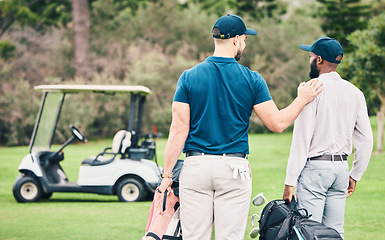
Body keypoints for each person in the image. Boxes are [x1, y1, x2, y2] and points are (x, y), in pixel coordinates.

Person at [158, 14, 322, 240]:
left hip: (196, 166)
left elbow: (178, 130)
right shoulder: (252, 79)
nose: (244, 44)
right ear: (235, 40)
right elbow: (277, 123)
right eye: (244, 39)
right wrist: (302, 99)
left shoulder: (188, 77)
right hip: (233, 169)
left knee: (194, 237)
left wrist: (167, 175)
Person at [282, 37, 373, 238]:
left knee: (308, 231)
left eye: (311, 57)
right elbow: (366, 140)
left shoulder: (311, 89)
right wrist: (355, 174)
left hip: (315, 169)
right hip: (340, 170)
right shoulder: (355, 92)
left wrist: (290, 182)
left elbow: (301, 139)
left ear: (320, 60)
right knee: (335, 232)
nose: (309, 61)